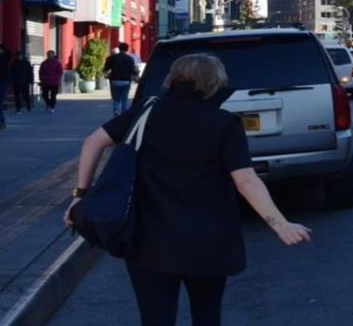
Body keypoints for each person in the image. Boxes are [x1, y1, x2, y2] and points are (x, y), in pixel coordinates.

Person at [64, 53, 311, 325]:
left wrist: (80, 195)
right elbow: (245, 180)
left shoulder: (147, 112)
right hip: (207, 241)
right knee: (206, 315)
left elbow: (92, 143)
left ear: (172, 78)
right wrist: (280, 224)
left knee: (155, 319)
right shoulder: (224, 123)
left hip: (148, 239)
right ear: (214, 83)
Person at [104, 42, 139, 116]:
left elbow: (106, 69)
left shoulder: (111, 58)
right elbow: (133, 70)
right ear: (127, 49)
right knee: (124, 99)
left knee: (116, 98)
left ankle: (116, 110)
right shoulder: (130, 59)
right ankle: (123, 114)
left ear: (119, 49)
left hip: (114, 80)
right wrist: (136, 75)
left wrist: (107, 75)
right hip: (126, 81)